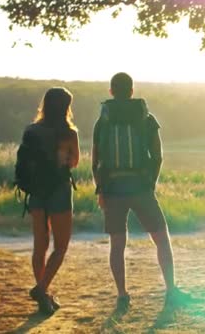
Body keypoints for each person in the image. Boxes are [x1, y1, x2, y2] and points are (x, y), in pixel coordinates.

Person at [92, 72, 191, 312]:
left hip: (113, 188)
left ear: (111, 92)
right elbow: (157, 155)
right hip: (140, 186)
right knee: (161, 238)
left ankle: (122, 295)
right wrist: (150, 184)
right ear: (132, 90)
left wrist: (100, 190)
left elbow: (96, 160)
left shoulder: (103, 120)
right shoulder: (145, 117)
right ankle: (171, 290)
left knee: (117, 243)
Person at [23, 87, 80, 315]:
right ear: (66, 107)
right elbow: (74, 162)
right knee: (61, 246)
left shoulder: (31, 130)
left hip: (36, 191)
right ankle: (41, 289)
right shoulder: (69, 133)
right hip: (59, 190)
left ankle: (43, 298)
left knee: (40, 245)